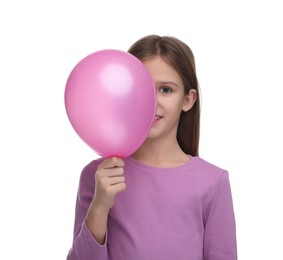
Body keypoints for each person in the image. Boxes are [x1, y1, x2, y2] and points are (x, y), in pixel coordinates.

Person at [67, 34, 237, 260]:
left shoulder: (212, 182)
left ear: (188, 99)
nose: (152, 101)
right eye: (142, 86)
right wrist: (99, 206)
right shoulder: (99, 177)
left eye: (166, 89)